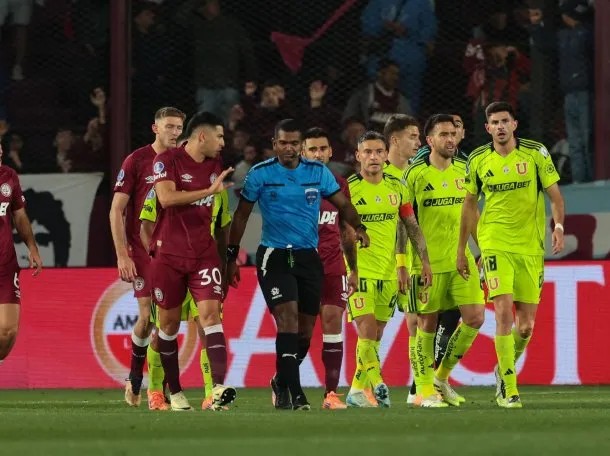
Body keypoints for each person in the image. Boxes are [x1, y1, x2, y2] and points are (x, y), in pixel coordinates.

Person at [226, 119, 369, 411]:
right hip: (274, 256)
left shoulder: (317, 172)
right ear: (275, 144)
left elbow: (343, 204)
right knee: (288, 321)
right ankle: (296, 392)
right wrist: (231, 257)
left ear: (299, 145)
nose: (289, 148)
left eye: (294, 143)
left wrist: (359, 227)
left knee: (304, 333)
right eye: (283, 143)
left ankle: (280, 381)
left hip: (308, 258)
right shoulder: (260, 174)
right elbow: (241, 216)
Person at [458, 101, 565, 408]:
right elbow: (469, 205)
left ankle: (501, 368)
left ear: (514, 124)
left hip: (530, 247)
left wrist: (558, 226)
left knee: (526, 326)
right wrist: (464, 249)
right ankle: (508, 385)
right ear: (488, 128)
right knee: (503, 312)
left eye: (505, 121)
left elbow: (556, 197)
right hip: (495, 244)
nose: (500, 126)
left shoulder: (535, 153)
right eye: (494, 122)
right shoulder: (478, 159)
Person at [345, 130, 431, 408]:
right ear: (358, 156)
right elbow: (339, 232)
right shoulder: (348, 189)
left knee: (377, 333)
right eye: (367, 152)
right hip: (358, 272)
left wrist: (424, 261)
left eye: (378, 152)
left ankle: (356, 390)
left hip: (388, 273)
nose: (373, 157)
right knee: (367, 329)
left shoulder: (397, 187)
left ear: (385, 155)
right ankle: (378, 382)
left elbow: (412, 226)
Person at [404, 114, 485, 407]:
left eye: (453, 134)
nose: (450, 139)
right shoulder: (414, 175)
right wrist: (411, 262)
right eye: (443, 134)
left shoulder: (466, 169)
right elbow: (405, 222)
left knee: (475, 317)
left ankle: (440, 378)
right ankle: (423, 391)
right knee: (426, 323)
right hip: (426, 262)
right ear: (429, 140)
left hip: (460, 259)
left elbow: (471, 214)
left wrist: (484, 249)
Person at [109, 107, 186, 407]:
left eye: (179, 127)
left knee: (167, 322)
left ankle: (154, 383)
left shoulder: (184, 160)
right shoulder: (137, 161)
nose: (175, 133)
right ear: (155, 128)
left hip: (176, 252)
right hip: (142, 251)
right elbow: (117, 210)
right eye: (169, 126)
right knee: (148, 317)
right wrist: (122, 255)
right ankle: (140, 378)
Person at [139, 171, 232, 411]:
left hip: (203, 267)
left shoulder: (217, 189)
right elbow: (146, 226)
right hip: (171, 268)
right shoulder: (164, 186)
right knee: (163, 331)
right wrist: (158, 260)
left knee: (208, 326)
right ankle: (156, 390)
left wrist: (226, 265)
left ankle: (212, 394)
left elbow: (222, 230)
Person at [300, 127, 358, 410]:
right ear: (303, 152)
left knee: (333, 322)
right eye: (312, 149)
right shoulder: (293, 184)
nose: (318, 154)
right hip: (302, 267)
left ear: (331, 151)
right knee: (302, 331)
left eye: (323, 149)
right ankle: (283, 380)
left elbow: (346, 229)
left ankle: (331, 393)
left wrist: (353, 269)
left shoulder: (339, 184)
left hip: (333, 265)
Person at [381, 114, 420, 404]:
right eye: (412, 137)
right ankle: (363, 384)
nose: (418, 142)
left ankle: (420, 386)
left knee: (419, 321)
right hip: (386, 262)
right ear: (395, 140)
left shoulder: (418, 173)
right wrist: (400, 262)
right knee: (376, 327)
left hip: (418, 259)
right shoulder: (378, 174)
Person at [0, 143, 42, 364]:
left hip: (5, 263)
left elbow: (19, 215)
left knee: (7, 332)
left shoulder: (9, 176)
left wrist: (32, 247)